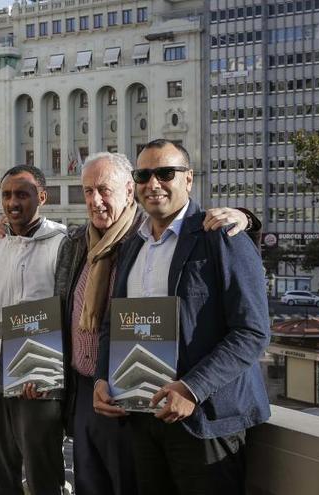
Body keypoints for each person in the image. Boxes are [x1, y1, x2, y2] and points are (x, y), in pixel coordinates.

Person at [53, 152, 254, 495]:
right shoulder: (133, 244)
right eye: (145, 174)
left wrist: (192, 389)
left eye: (164, 173)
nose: (153, 183)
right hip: (132, 408)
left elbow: (251, 330)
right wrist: (102, 376)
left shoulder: (218, 233)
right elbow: (113, 324)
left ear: (188, 178)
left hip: (203, 419)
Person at [0, 165, 68, 494]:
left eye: (22, 194)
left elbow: (65, 312)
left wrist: (47, 375)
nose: (12, 202)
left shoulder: (63, 242)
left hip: (40, 382)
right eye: (6, 195)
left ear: (41, 197)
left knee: (43, 476)